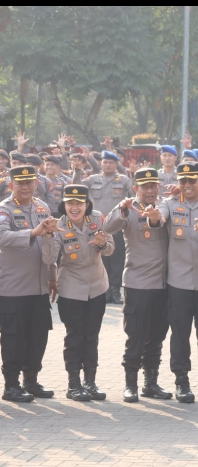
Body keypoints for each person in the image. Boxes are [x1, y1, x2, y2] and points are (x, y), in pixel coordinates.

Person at [145, 162, 198, 403]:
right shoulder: (170, 203)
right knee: (180, 333)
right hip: (179, 281)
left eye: (191, 180)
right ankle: (181, 381)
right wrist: (153, 218)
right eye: (182, 181)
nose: (186, 185)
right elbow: (158, 219)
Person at [103, 169, 172, 403]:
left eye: (154, 186)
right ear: (136, 189)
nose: (150, 190)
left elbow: (162, 217)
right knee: (136, 335)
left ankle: (150, 383)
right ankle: (130, 384)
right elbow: (108, 227)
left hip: (164, 284)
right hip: (137, 283)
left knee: (157, 336)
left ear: (159, 187)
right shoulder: (128, 209)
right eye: (145, 187)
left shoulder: (166, 206)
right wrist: (122, 209)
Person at [42, 184, 114, 401]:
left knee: (91, 336)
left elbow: (110, 249)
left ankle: (90, 382)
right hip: (72, 287)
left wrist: (102, 244)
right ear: (64, 205)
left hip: (97, 286)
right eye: (70, 203)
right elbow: (48, 259)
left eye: (79, 203)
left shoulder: (98, 219)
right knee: (75, 336)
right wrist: (48, 235)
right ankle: (73, 384)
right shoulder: (59, 225)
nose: (75, 207)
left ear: (87, 205)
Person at [0, 166, 58, 402]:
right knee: (14, 337)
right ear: (11, 184)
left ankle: (31, 381)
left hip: (40, 286)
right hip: (13, 288)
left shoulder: (42, 207)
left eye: (29, 182)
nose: (25, 187)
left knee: (37, 336)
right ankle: (11, 385)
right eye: (20, 183)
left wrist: (53, 275)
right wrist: (32, 233)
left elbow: (49, 242)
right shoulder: (5, 209)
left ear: (36, 183)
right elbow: (2, 237)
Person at [73, 150, 135, 305]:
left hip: (116, 225)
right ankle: (104, 290)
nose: (108, 165)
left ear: (116, 164)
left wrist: (133, 175)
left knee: (117, 258)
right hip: (96, 226)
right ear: (101, 163)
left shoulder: (123, 179)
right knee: (100, 258)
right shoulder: (92, 179)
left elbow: (134, 191)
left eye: (111, 162)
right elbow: (76, 188)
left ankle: (115, 290)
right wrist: (77, 171)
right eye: (105, 162)